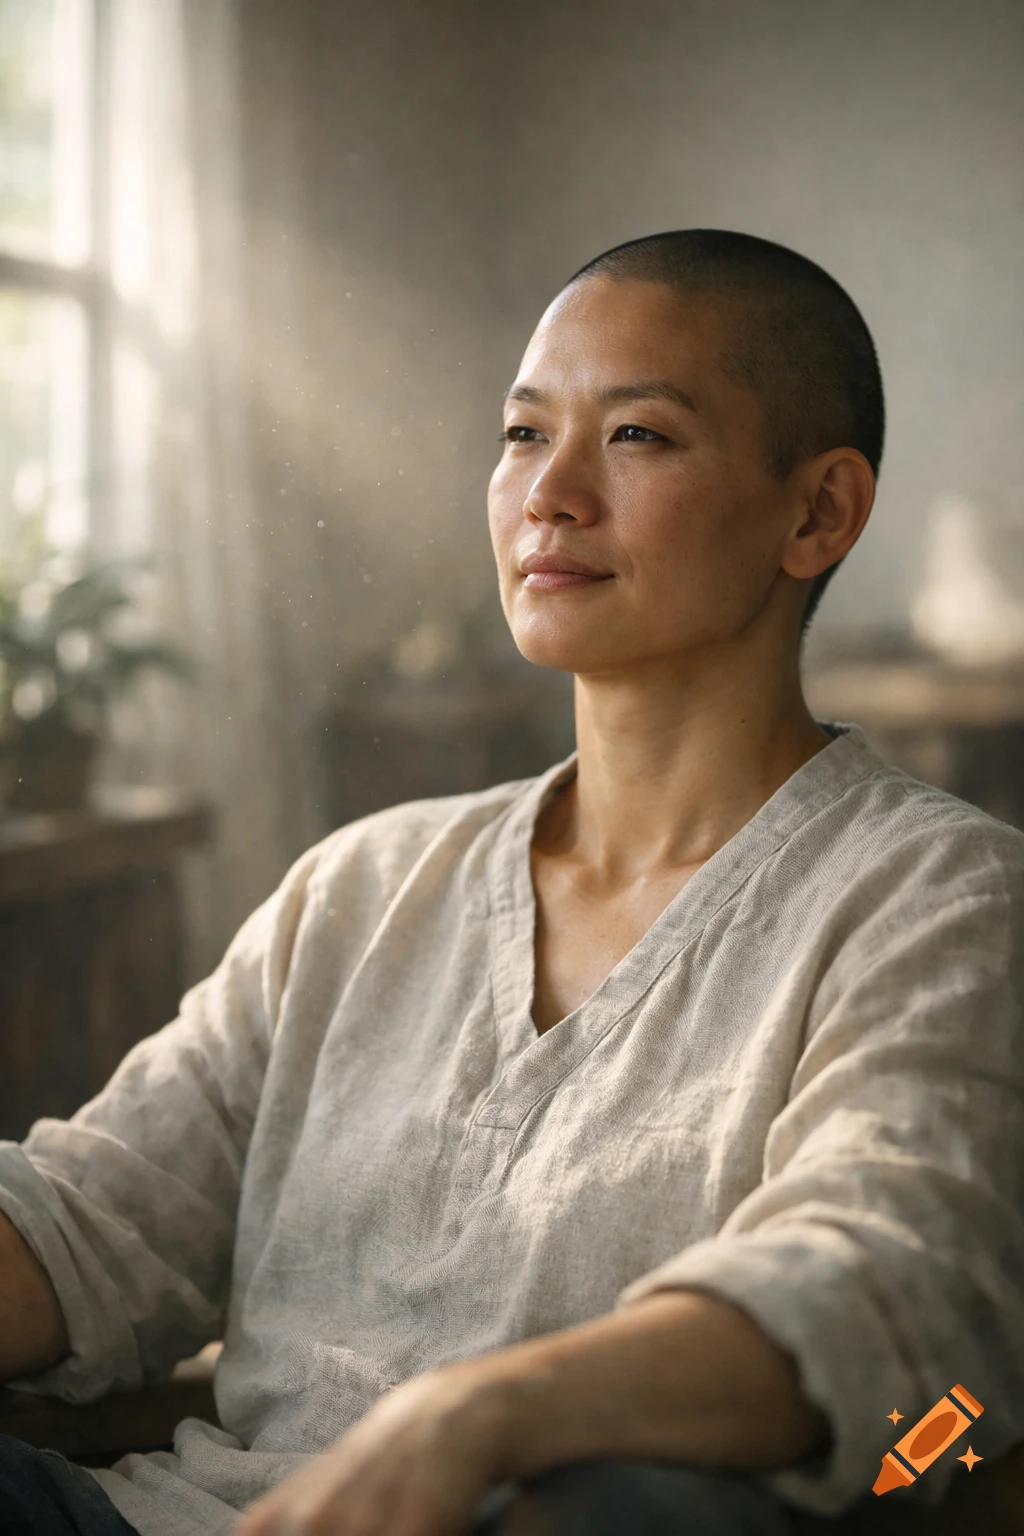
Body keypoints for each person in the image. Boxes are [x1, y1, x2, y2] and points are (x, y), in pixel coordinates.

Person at [1, 229, 1022, 1536]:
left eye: (638, 435)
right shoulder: (363, 886)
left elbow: (887, 1295)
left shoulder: (937, 897)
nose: (550, 493)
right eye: (524, 434)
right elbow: (93, 1219)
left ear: (817, 511)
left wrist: (472, 1418)